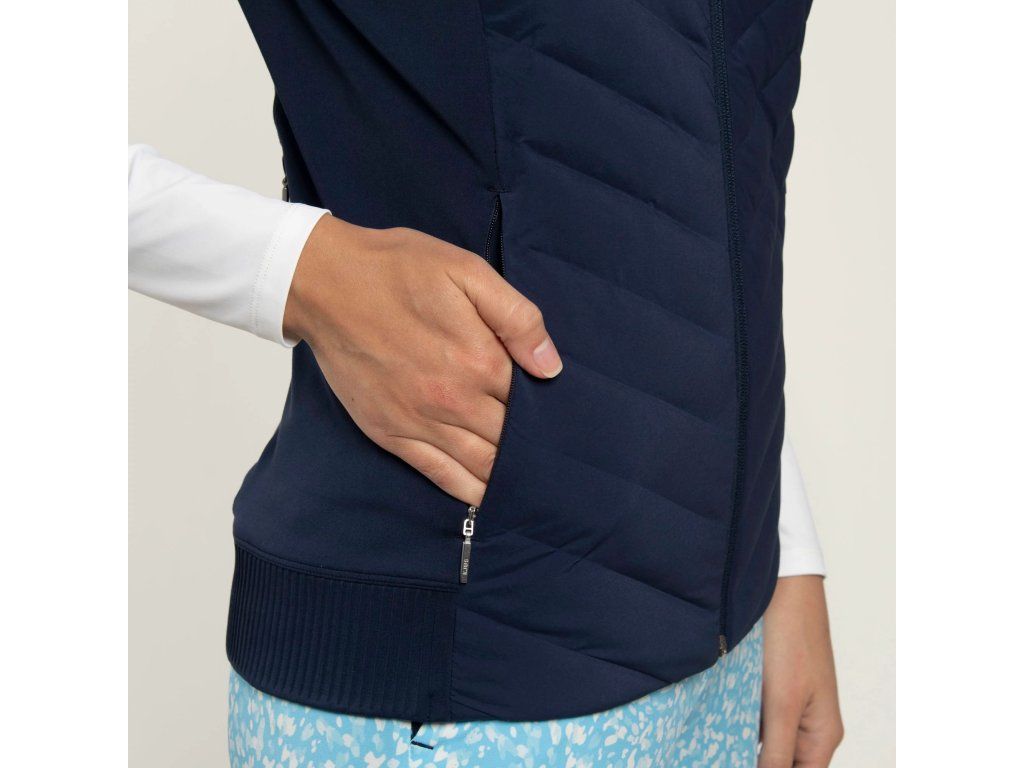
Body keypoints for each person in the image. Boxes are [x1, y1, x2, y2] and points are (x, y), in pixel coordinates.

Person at [129, 1, 842, 765]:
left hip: (722, 667)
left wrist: (783, 547)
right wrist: (302, 270)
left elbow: (696, 184)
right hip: (454, 695)